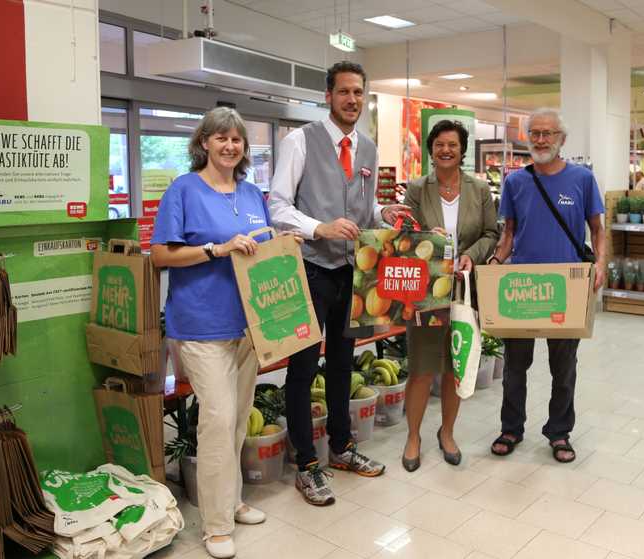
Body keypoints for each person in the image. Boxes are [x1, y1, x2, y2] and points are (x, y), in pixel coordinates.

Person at [268, 61, 410, 505]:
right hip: (310, 269)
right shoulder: (300, 141)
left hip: (353, 273)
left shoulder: (367, 148)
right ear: (328, 95)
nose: (352, 100)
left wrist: (383, 213)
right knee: (303, 368)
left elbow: (362, 211)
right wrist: (319, 228)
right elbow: (276, 205)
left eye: (359, 93)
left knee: (345, 363)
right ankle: (307, 464)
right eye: (344, 92)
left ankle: (343, 447)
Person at [151, 107, 284, 559]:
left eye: (238, 140)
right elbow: (160, 256)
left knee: (238, 416)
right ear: (204, 142)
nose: (230, 146)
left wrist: (283, 246)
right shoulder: (183, 190)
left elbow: (260, 250)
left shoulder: (251, 194)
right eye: (221, 138)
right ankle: (215, 525)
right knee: (218, 418)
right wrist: (215, 249)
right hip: (200, 325)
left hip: (247, 324)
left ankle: (232, 499)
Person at [488, 107, 606, 464]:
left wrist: (600, 263)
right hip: (521, 285)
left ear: (562, 139)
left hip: (566, 287)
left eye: (548, 134)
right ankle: (511, 427)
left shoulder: (582, 179)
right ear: (527, 138)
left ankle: (559, 432)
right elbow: (507, 233)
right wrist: (494, 264)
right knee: (514, 366)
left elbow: (598, 230)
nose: (541, 140)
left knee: (564, 367)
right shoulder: (515, 182)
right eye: (535, 133)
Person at [401, 120, 498, 471]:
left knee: (455, 366)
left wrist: (472, 255)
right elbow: (405, 235)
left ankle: (447, 432)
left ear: (462, 150)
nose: (446, 150)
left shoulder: (479, 190)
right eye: (439, 144)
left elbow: (491, 232)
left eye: (452, 145)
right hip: (427, 291)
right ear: (431, 150)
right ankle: (413, 436)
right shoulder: (416, 189)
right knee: (422, 368)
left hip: (464, 290)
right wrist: (427, 235)